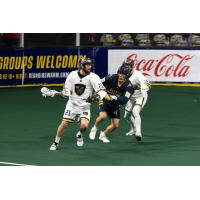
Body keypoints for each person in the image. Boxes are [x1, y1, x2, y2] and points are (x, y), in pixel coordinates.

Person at [49, 56, 109, 150]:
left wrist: (96, 96)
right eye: (87, 65)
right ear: (81, 66)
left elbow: (103, 91)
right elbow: (67, 89)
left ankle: (79, 134)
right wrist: (64, 93)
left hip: (85, 106)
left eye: (90, 64)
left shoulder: (93, 77)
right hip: (72, 105)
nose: (89, 67)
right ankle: (56, 143)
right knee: (64, 123)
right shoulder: (72, 75)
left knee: (84, 126)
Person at [89, 65, 134, 143]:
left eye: (123, 75)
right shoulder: (112, 77)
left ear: (127, 76)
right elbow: (99, 82)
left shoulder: (129, 86)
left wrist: (114, 97)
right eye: (120, 73)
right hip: (105, 99)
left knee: (115, 125)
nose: (120, 76)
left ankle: (103, 135)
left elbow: (124, 100)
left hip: (115, 104)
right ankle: (94, 128)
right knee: (103, 116)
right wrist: (97, 93)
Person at [123, 58, 150, 141]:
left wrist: (140, 86)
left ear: (132, 67)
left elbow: (148, 85)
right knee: (126, 116)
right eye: (125, 66)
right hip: (130, 97)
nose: (126, 67)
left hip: (140, 96)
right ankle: (134, 130)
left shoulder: (138, 74)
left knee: (135, 111)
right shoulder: (122, 74)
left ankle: (138, 133)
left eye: (128, 66)